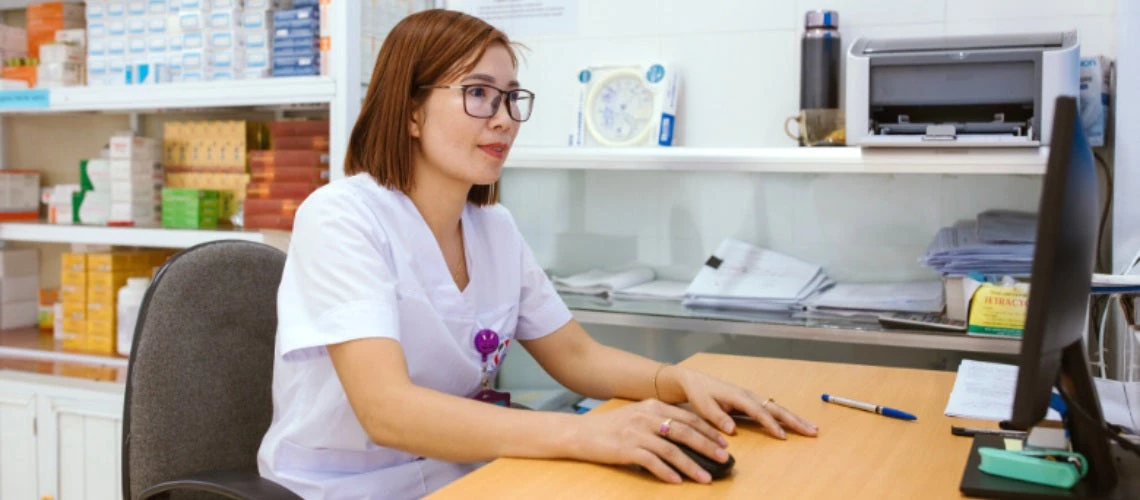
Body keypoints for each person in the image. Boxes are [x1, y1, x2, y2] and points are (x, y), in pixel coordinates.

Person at [257, 9, 818, 499]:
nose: (503, 118)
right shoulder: (340, 218)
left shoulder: (493, 227)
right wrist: (584, 435)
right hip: (346, 487)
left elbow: (575, 357)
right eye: (477, 93)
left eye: (509, 97)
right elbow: (387, 411)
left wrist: (679, 383)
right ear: (410, 111)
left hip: (464, 474)